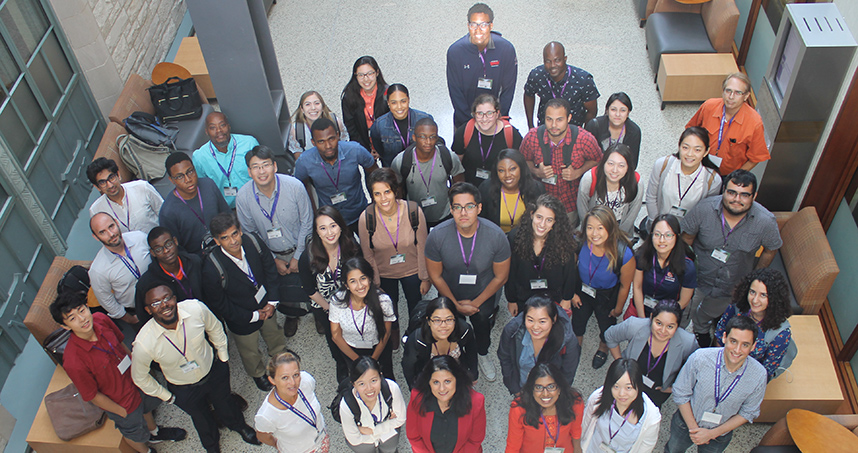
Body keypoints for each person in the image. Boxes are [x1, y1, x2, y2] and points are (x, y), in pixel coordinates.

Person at [51, 291, 187, 453]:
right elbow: (93, 396)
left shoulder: (101, 319)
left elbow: (120, 344)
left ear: (87, 307)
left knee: (146, 407)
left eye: (82, 310)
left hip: (135, 380)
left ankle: (155, 432)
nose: (82, 319)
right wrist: (120, 411)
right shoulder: (73, 361)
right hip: (121, 402)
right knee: (133, 431)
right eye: (72, 318)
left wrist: (139, 370)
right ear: (65, 326)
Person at [132, 285, 260, 453]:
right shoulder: (144, 343)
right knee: (201, 419)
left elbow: (215, 328)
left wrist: (223, 357)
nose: (164, 305)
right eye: (156, 303)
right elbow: (139, 377)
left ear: (174, 298)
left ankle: (239, 426)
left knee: (226, 403)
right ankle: (212, 446)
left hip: (213, 372)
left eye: (167, 298)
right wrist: (167, 397)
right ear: (148, 310)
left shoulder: (195, 309)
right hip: (183, 388)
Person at [681, 169, 782, 346]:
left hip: (732, 286)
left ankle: (702, 332)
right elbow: (686, 239)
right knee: (682, 311)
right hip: (697, 278)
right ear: (724, 191)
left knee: (708, 315)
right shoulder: (704, 209)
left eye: (744, 195)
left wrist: (755, 278)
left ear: (754, 196)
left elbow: (771, 248)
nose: (736, 199)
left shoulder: (765, 222)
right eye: (732, 192)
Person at [425, 182, 511, 381]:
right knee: (452, 327)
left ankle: (482, 354)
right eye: (457, 207)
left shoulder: (496, 236)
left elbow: (501, 277)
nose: (463, 212)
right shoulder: (437, 236)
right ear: (451, 209)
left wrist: (476, 304)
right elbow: (435, 275)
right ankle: (457, 356)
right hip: (449, 294)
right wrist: (455, 305)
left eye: (469, 206)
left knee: (482, 326)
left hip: (484, 294)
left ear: (479, 208)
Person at [201, 212, 287, 392]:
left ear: (240, 231)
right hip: (241, 316)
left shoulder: (253, 242)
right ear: (217, 241)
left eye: (234, 234)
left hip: (266, 303)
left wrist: (272, 302)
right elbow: (220, 303)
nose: (232, 241)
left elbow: (270, 269)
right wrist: (253, 316)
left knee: (273, 332)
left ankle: (279, 354)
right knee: (249, 349)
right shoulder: (211, 267)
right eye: (225, 238)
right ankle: (258, 373)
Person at [237, 145, 314, 337]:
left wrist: (298, 255)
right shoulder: (243, 197)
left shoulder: (294, 186)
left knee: (311, 283)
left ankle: (318, 314)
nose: (261, 171)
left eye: (265, 165)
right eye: (255, 167)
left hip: (302, 248)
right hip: (271, 254)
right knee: (283, 289)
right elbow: (250, 233)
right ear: (249, 171)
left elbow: (308, 221)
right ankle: (291, 315)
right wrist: (272, 259)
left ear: (275, 166)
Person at [663, 316, 767, 453]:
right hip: (685, 424)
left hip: (720, 434)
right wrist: (694, 430)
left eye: (745, 345)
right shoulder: (700, 358)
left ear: (753, 346)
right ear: (724, 338)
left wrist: (712, 434)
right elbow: (681, 392)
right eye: (733, 341)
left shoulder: (759, 375)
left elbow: (748, 412)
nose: (737, 350)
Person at [358, 168, 430, 338]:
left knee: (415, 305)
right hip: (384, 274)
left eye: (387, 192)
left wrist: (425, 277)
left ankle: (414, 333)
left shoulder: (413, 212)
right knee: (389, 307)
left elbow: (422, 246)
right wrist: (375, 284)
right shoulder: (366, 218)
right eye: (377, 194)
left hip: (412, 271)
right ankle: (394, 332)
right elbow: (368, 255)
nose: (383, 199)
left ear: (395, 190)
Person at [298, 206, 362, 380]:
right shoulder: (308, 256)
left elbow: (362, 275)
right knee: (334, 337)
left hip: (353, 300)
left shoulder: (351, 246)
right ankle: (341, 364)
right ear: (317, 232)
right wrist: (331, 310)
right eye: (323, 228)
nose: (329, 233)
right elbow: (310, 290)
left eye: (333, 226)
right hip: (324, 305)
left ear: (341, 226)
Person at [520, 98, 602, 228]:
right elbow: (522, 161)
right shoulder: (532, 138)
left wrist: (578, 172)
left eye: (559, 119)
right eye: (549, 119)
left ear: (569, 118)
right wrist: (536, 171)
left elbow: (598, 161)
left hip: (570, 203)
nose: (553, 125)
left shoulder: (584, 139)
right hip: (540, 203)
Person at [572, 206, 635, 370]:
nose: (595, 233)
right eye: (590, 227)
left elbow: (625, 286)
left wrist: (618, 309)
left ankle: (603, 348)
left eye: (600, 228)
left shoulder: (624, 254)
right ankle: (575, 346)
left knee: (606, 325)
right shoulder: (580, 243)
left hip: (607, 297)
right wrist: (572, 293)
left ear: (611, 227)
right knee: (578, 321)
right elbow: (570, 270)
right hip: (582, 291)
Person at [604, 301, 698, 407]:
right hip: (627, 383)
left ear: (677, 326)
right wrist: (620, 363)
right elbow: (610, 336)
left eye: (670, 326)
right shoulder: (634, 326)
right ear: (651, 317)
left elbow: (696, 369)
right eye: (658, 323)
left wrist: (674, 388)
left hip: (657, 392)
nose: (663, 331)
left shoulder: (688, 343)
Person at [294, 117, 378, 233]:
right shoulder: (304, 162)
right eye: (321, 141)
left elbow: (376, 174)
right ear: (313, 142)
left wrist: (375, 202)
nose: (328, 146)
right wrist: (315, 213)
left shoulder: (354, 150)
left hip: (360, 213)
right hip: (331, 221)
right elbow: (300, 188)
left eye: (331, 139)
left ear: (338, 136)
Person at [446, 3, 517, 128]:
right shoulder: (455, 52)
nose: (478, 30)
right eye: (474, 24)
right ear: (468, 26)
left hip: (497, 121)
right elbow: (455, 92)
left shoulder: (506, 49)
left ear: (491, 25)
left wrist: (497, 118)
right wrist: (469, 123)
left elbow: (508, 90)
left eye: (483, 24)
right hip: (465, 122)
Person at [714, 268, 794, 380]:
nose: (755, 300)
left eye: (763, 295)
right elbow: (719, 334)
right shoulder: (737, 308)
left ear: (774, 298)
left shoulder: (781, 334)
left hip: (749, 376)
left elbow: (766, 371)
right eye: (752, 292)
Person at [685, 72, 769, 176]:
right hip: (698, 165)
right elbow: (690, 132)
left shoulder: (755, 123)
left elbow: (755, 158)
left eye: (738, 93)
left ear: (746, 96)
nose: (731, 96)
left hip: (726, 174)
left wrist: (735, 177)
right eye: (728, 91)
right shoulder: (708, 106)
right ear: (723, 91)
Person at [505, 194, 577, 315]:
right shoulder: (515, 237)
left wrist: (567, 298)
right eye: (539, 217)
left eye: (549, 220)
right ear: (532, 214)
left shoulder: (564, 241)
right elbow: (511, 272)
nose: (542, 224)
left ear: (555, 222)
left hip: (553, 298)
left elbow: (569, 273)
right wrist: (511, 299)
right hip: (524, 296)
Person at [497, 295, 581, 395]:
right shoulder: (512, 332)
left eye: (542, 321)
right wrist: (515, 390)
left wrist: (554, 396)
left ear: (553, 319)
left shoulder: (567, 340)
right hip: (522, 387)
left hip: (549, 393)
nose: (535, 327)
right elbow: (505, 358)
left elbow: (568, 373)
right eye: (530, 320)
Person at [330, 256, 396, 381]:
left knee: (385, 380)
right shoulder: (337, 301)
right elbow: (335, 335)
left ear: (370, 279)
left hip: (378, 349)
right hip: (351, 350)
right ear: (346, 284)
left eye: (363, 278)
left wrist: (373, 361)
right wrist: (357, 362)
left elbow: (386, 333)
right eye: (353, 281)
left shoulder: (383, 301)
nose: (360, 286)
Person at [391, 117, 466, 226]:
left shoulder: (448, 157)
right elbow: (397, 192)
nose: (428, 142)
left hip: (445, 214)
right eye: (422, 137)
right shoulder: (401, 161)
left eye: (432, 137)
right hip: (415, 216)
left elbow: (459, 183)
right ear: (414, 138)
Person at [644, 127, 721, 232]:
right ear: (679, 146)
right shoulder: (663, 165)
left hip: (687, 234)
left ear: (706, 151)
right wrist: (657, 227)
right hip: (658, 229)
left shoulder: (713, 180)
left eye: (697, 150)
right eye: (685, 147)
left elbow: (706, 214)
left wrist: (687, 235)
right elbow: (651, 197)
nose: (690, 154)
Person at [89, 212, 150, 340]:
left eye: (111, 226)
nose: (111, 234)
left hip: (166, 295)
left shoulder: (139, 238)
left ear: (117, 222)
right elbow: (107, 301)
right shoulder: (98, 270)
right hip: (138, 312)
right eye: (102, 232)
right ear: (95, 237)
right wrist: (131, 319)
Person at [406, 355, 486, 452]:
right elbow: (414, 438)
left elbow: (474, 441)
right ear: (428, 383)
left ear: (457, 380)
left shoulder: (476, 402)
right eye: (436, 382)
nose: (442, 388)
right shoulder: (417, 399)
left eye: (447, 381)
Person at [580, 359, 661, 453]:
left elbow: (646, 446)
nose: (621, 394)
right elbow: (584, 426)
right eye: (616, 386)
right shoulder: (598, 398)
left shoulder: (651, 418)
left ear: (638, 386)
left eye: (628, 388)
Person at [255, 351, 330, 453]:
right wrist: (279, 446)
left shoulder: (306, 381)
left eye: (296, 375)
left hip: (321, 439)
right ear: (272, 380)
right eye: (285, 377)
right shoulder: (266, 415)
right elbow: (262, 436)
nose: (293, 383)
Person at [159, 153, 230, 255]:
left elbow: (227, 215)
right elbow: (177, 250)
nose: (188, 179)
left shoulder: (209, 185)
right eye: (180, 177)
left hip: (226, 247)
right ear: (171, 180)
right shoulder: (168, 212)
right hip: (198, 260)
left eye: (190, 172)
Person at [505, 363, 585, 453]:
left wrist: (578, 450)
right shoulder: (519, 409)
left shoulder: (574, 402)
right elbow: (513, 446)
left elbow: (576, 431)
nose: (545, 393)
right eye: (538, 387)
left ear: (559, 388)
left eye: (551, 387)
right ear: (531, 390)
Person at [402, 297, 478, 388]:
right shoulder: (417, 340)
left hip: (456, 373)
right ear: (429, 321)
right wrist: (416, 390)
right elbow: (408, 367)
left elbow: (471, 350)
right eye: (437, 320)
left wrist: (473, 374)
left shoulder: (464, 330)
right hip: (429, 379)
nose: (443, 326)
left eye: (449, 320)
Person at [135, 226, 204, 325]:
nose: (166, 251)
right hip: (177, 330)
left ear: (175, 241)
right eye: (158, 249)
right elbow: (144, 318)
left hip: (205, 318)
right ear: (152, 253)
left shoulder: (194, 262)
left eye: (168, 244)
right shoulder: (146, 284)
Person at [631, 214, 696, 319]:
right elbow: (637, 287)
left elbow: (683, 301)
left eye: (668, 235)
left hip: (667, 316)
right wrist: (642, 318)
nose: (662, 240)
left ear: (677, 236)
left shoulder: (687, 266)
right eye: (657, 234)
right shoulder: (642, 255)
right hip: (640, 309)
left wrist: (660, 321)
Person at [524, 41, 598, 130]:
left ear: (565, 59)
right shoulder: (537, 75)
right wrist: (531, 126)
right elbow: (528, 95)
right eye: (548, 61)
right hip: (545, 129)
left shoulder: (583, 80)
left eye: (557, 60)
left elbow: (592, 111)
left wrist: (584, 133)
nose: (552, 65)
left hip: (573, 130)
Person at [452, 94, 523, 185]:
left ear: (497, 114)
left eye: (489, 113)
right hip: (471, 188)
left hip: (501, 188)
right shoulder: (464, 131)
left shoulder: (511, 134)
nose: (484, 119)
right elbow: (456, 166)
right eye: (480, 113)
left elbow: (520, 166)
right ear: (474, 114)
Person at [340, 356, 407, 453]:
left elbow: (401, 419)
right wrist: (388, 424)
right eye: (361, 384)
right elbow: (353, 439)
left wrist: (368, 431)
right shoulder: (347, 404)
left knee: (390, 450)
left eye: (373, 381)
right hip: (364, 443)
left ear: (380, 376)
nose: (369, 388)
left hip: (387, 436)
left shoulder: (391, 388)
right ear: (353, 384)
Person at [192, 111, 256, 207]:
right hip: (226, 209)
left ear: (229, 126)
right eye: (212, 127)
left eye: (222, 125)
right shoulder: (199, 157)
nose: (219, 131)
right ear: (206, 132)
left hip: (254, 202)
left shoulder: (249, 143)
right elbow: (203, 189)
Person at [576, 143, 643, 235]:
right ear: (604, 163)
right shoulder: (590, 178)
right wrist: (592, 232)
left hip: (620, 229)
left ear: (628, 167)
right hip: (594, 229)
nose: (615, 170)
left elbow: (632, 214)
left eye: (621, 165)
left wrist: (619, 237)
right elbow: (582, 209)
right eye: (611, 164)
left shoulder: (636, 182)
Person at [87, 157, 163, 234]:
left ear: (118, 175)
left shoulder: (142, 187)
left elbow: (164, 213)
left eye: (111, 178)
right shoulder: (96, 210)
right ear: (97, 187)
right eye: (102, 183)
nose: (110, 185)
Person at [478, 148, 545, 233]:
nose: (507, 175)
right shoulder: (486, 188)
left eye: (512, 169)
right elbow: (481, 222)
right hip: (496, 240)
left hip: (526, 240)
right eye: (501, 170)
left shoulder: (537, 189)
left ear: (521, 168)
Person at [370, 83, 434, 168]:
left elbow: (432, 145)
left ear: (409, 100)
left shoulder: (425, 119)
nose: (399, 107)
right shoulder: (378, 126)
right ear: (388, 103)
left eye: (403, 101)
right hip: (394, 172)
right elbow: (381, 151)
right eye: (394, 103)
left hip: (421, 171)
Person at [342, 56, 389, 154]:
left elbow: (392, 125)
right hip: (363, 144)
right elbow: (351, 129)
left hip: (387, 143)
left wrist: (381, 149)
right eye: (361, 75)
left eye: (370, 74)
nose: (366, 79)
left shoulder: (387, 93)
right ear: (355, 76)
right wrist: (366, 150)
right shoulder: (349, 97)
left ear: (377, 73)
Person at [584, 92, 641, 169]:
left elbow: (632, 164)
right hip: (596, 169)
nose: (617, 114)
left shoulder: (634, 131)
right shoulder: (594, 126)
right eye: (613, 109)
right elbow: (585, 156)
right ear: (607, 110)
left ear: (628, 113)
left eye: (623, 110)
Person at [289, 90, 349, 158]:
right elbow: (300, 160)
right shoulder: (296, 130)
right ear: (302, 109)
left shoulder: (335, 122)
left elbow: (345, 148)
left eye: (317, 103)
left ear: (323, 106)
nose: (313, 108)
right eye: (307, 104)